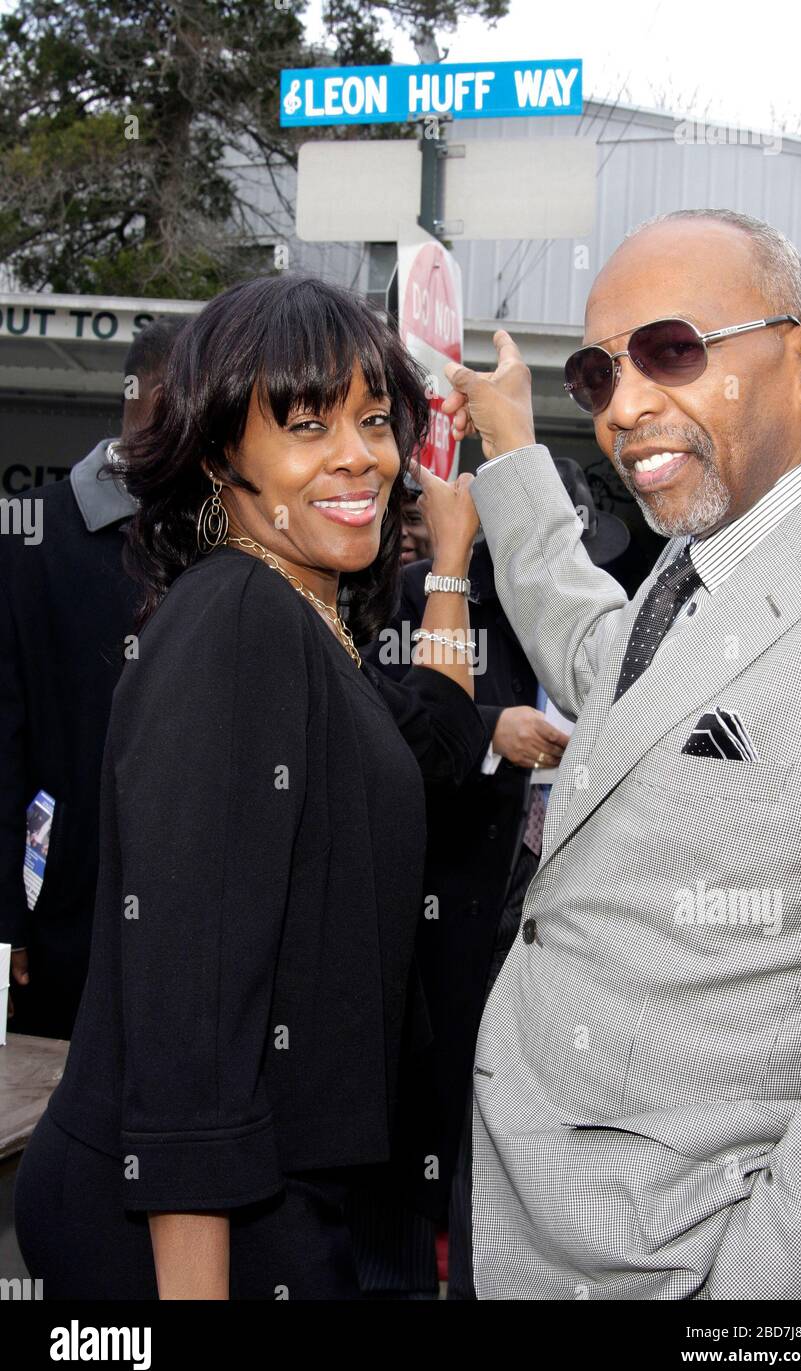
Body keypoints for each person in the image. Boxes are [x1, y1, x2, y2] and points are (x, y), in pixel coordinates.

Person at [13, 274, 486, 1301]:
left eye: (372, 420)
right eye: (305, 426)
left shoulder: (297, 613)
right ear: (221, 452)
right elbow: (191, 1009)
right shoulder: (239, 624)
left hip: (277, 1199)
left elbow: (429, 740)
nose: (357, 455)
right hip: (195, 1229)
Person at [442, 208, 801, 1300]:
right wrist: (516, 455)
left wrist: (748, 1293)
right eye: (595, 374)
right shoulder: (706, 548)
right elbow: (616, 679)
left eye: (670, 351)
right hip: (528, 1233)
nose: (624, 406)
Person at [351, 457, 630, 1299]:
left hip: (568, 935)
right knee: (424, 1132)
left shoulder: (611, 626)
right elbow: (383, 725)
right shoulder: (417, 599)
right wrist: (483, 730)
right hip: (450, 925)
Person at [1, 316, 187, 1039]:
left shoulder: (230, 539)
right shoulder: (30, 537)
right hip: (65, 924)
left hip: (199, 934)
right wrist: (6, 918)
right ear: (139, 399)